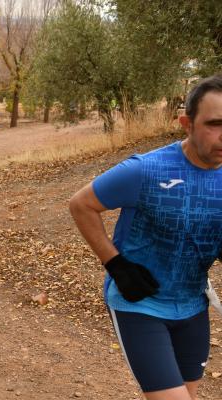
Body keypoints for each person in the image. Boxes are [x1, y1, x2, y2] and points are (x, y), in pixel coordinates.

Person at [69, 74, 222, 400]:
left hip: (194, 305)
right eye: (214, 124)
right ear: (187, 124)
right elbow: (81, 205)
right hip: (140, 305)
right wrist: (116, 265)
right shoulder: (146, 170)